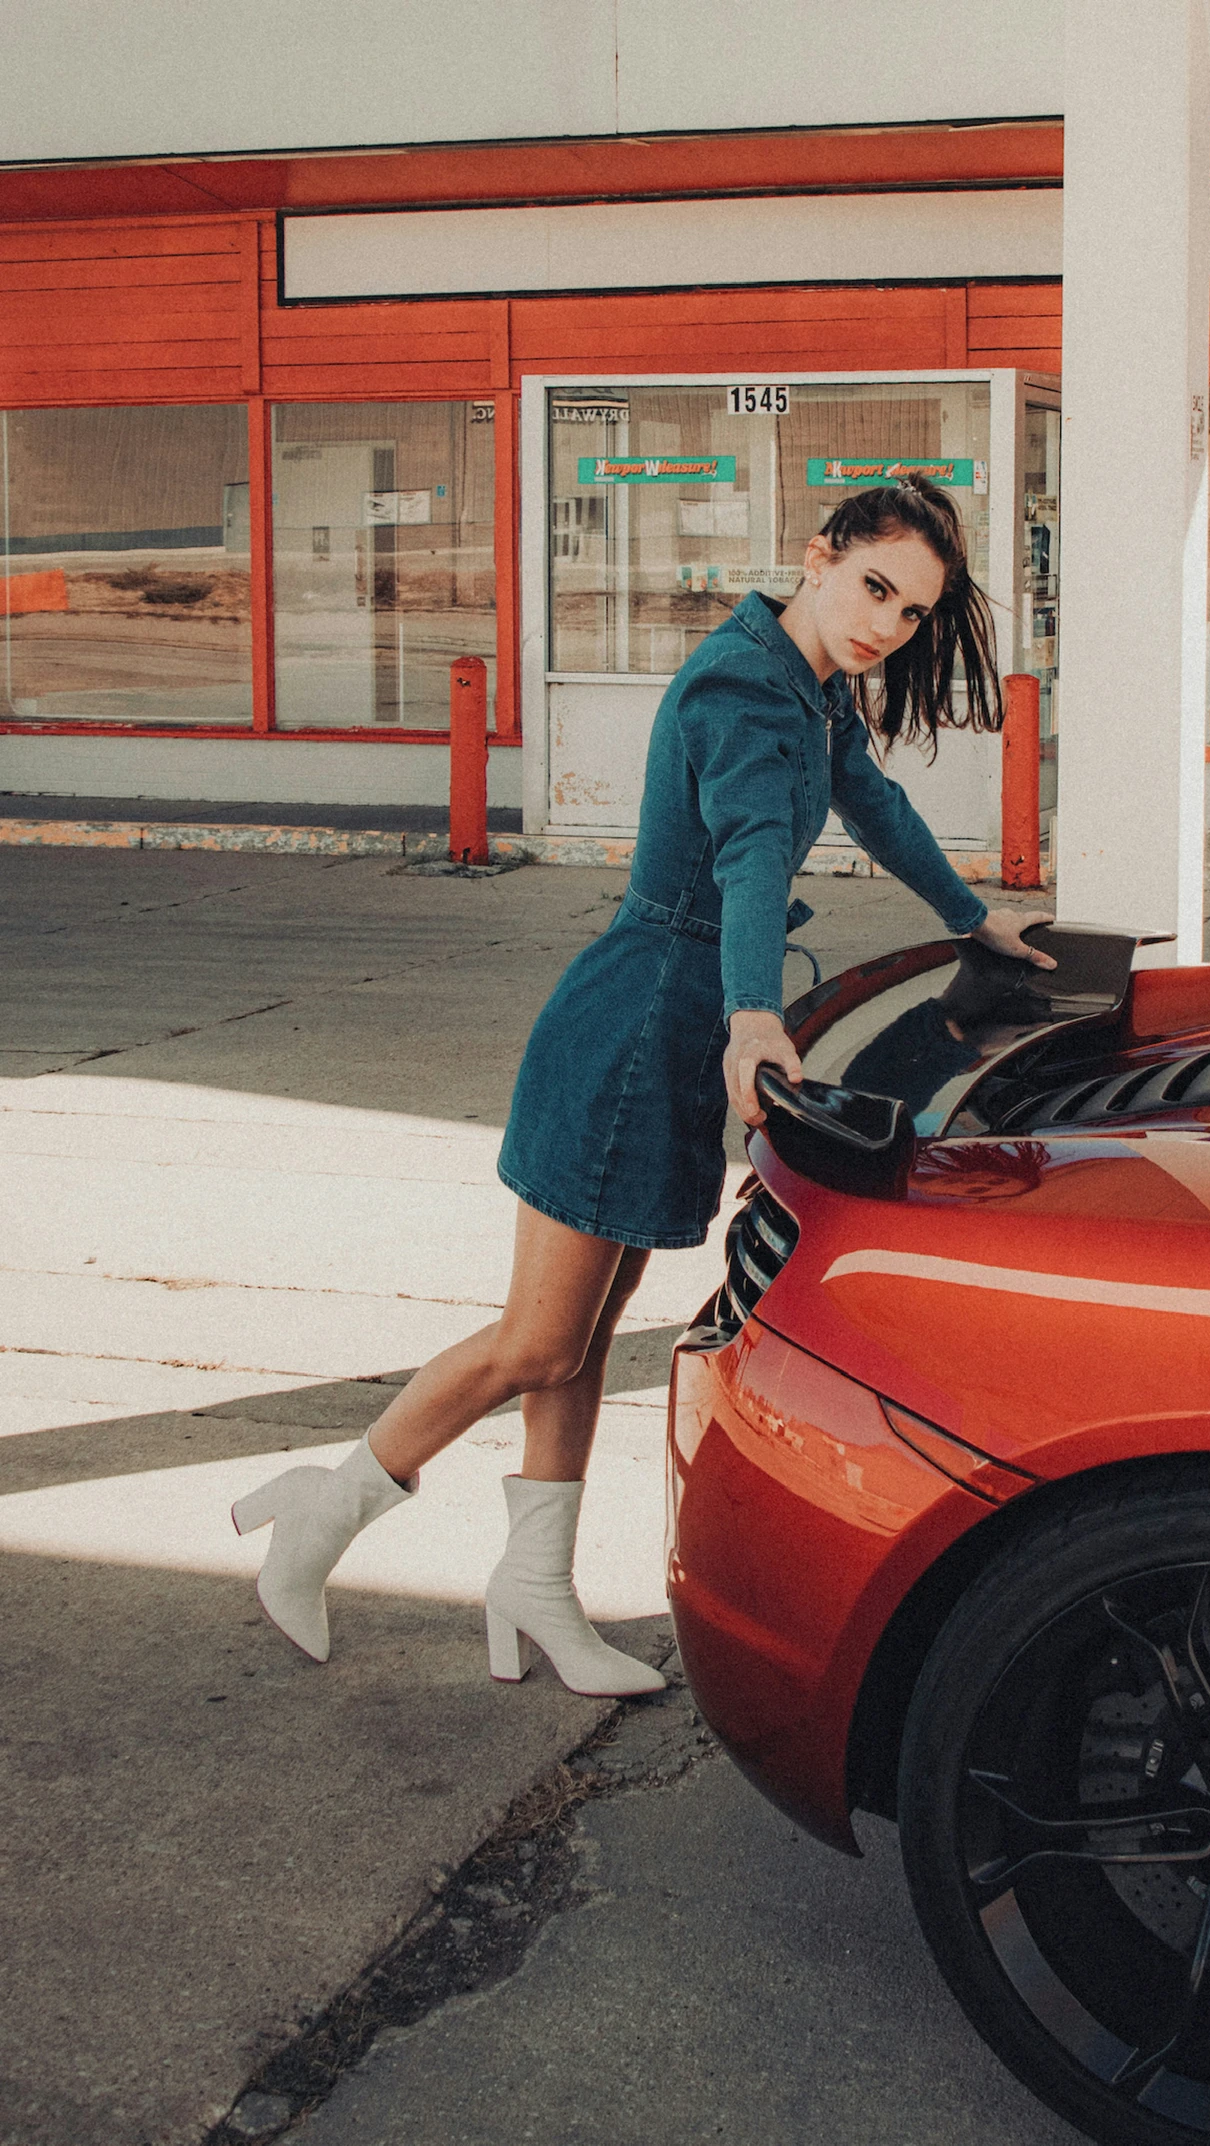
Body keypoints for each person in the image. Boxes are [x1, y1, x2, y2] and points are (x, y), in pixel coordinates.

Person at [232, 475, 1053, 1695]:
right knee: (537, 1340)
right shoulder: (744, 691)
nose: (889, 625)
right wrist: (753, 1014)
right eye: (875, 587)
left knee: (583, 1340)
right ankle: (326, 1511)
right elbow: (754, 854)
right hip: (635, 1031)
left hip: (666, 1028)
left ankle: (535, 1590)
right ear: (817, 552)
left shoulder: (805, 681)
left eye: (915, 611)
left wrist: (975, 919)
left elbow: (869, 804)